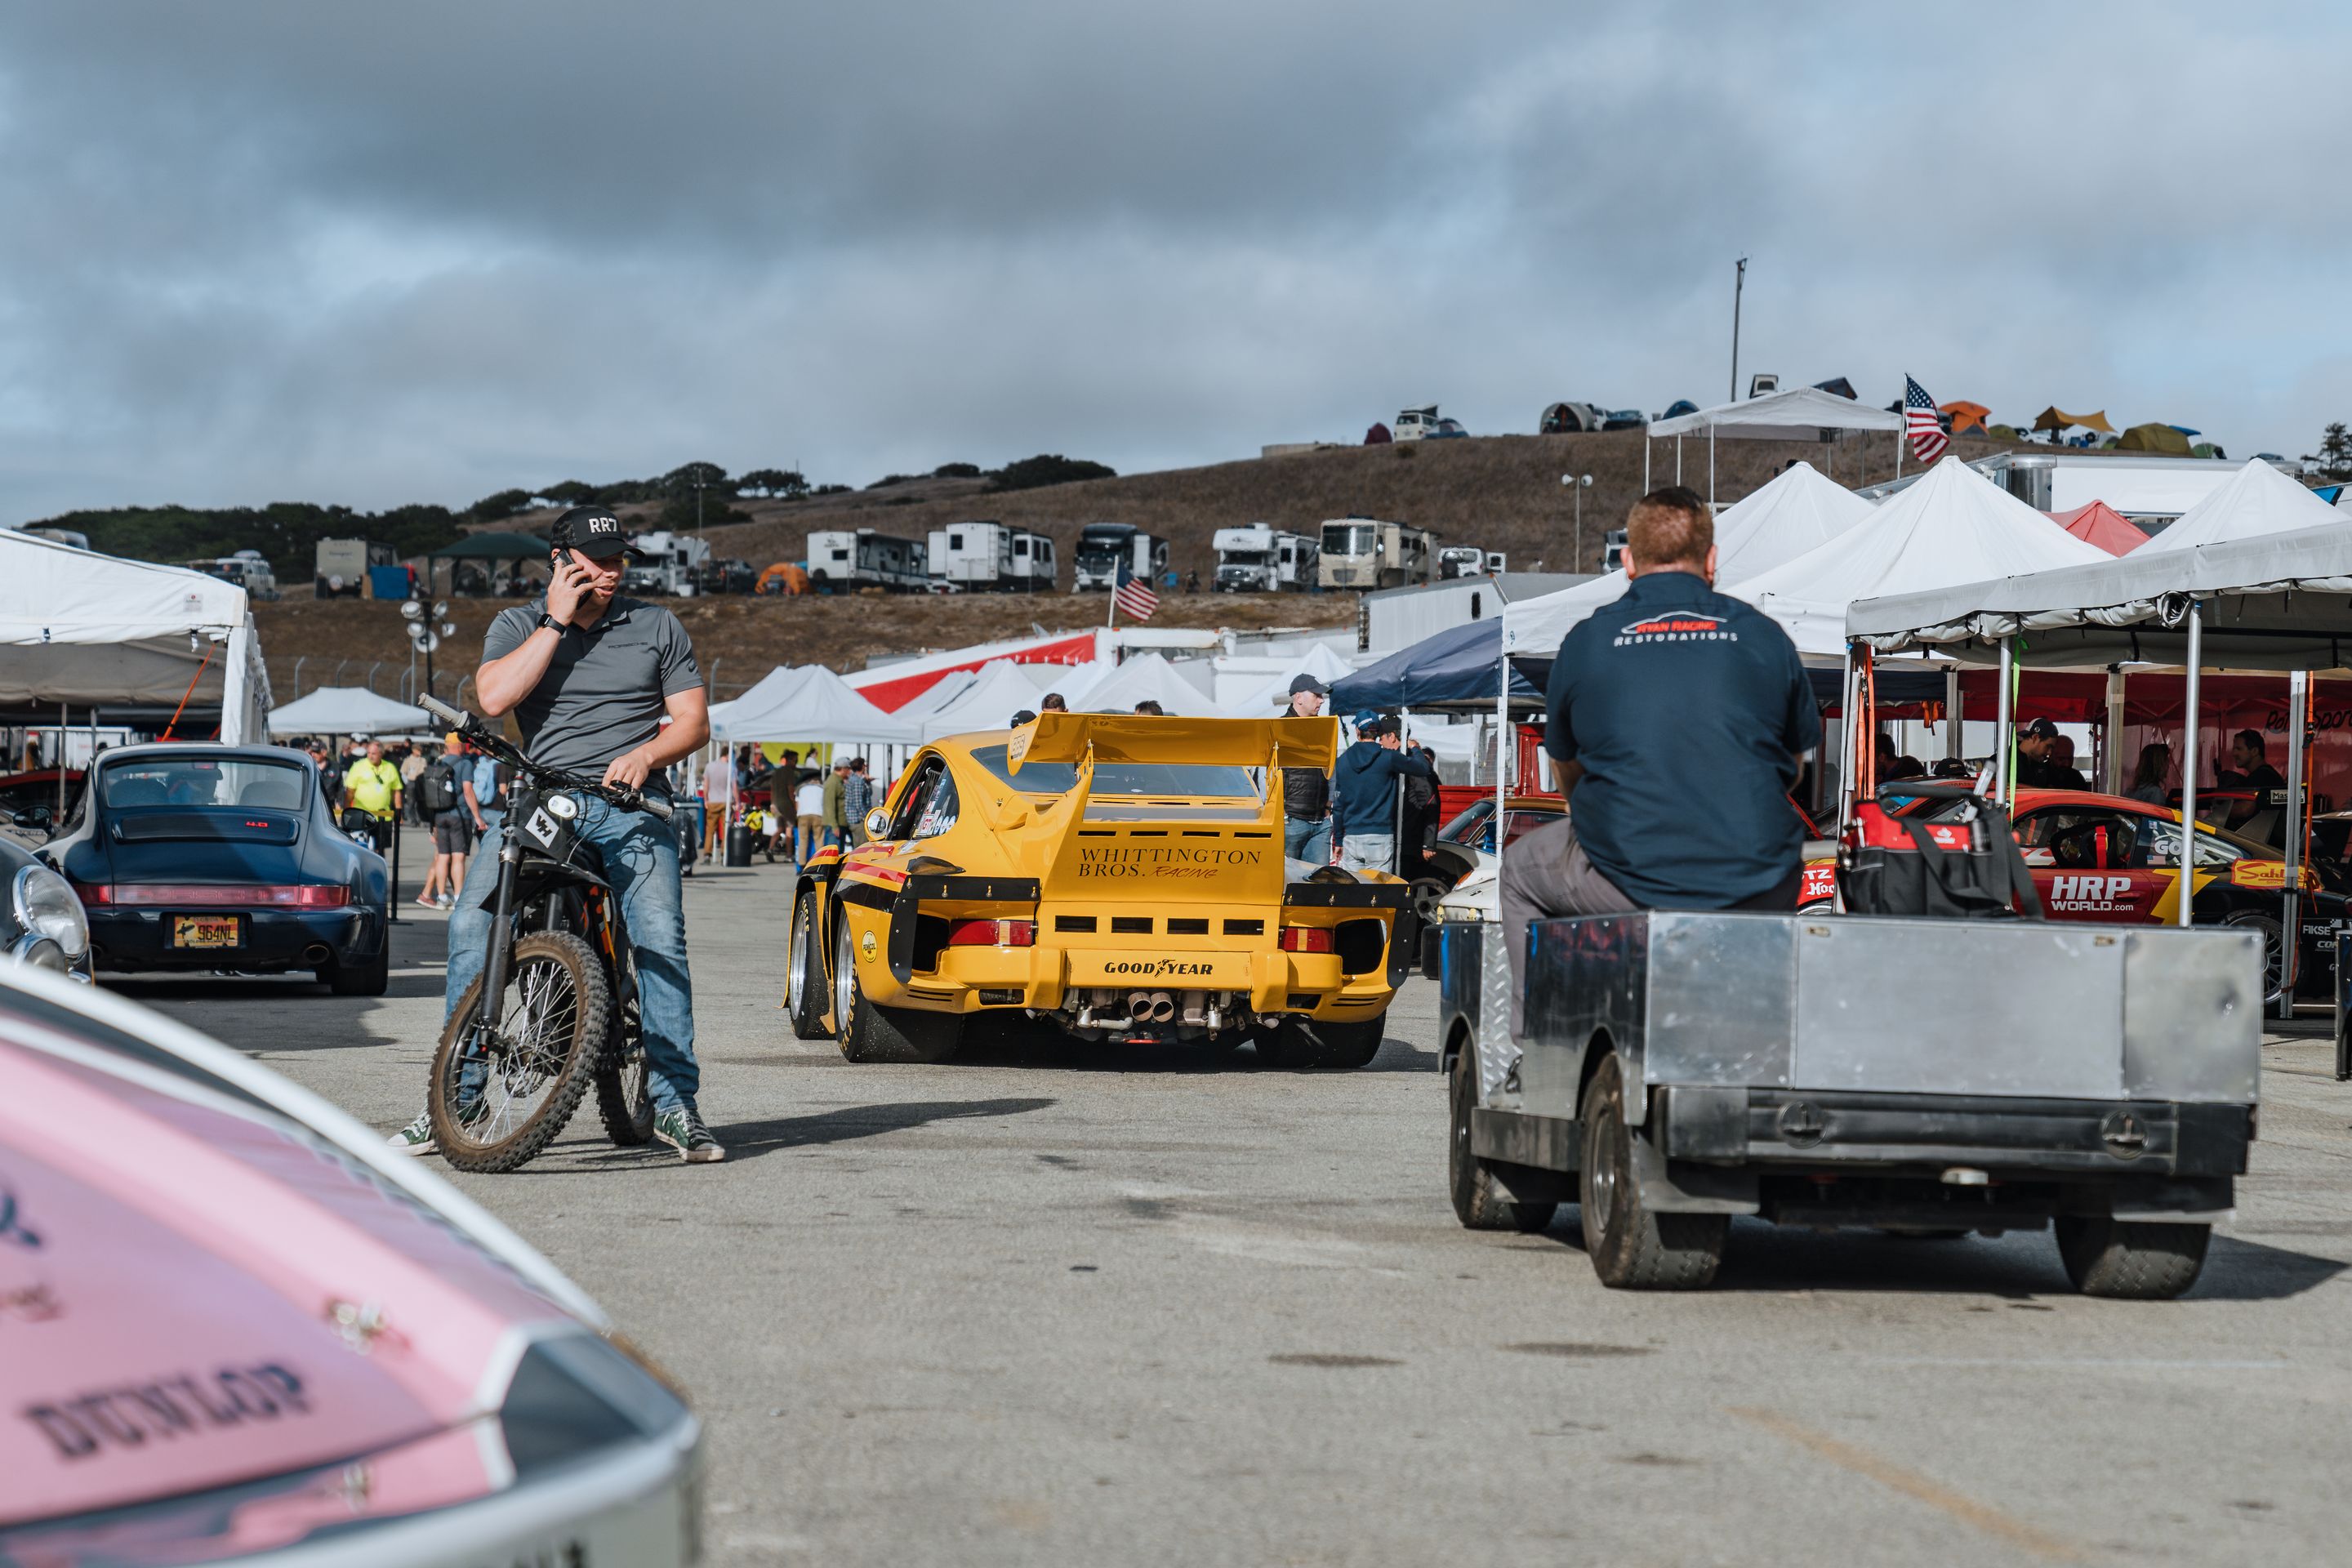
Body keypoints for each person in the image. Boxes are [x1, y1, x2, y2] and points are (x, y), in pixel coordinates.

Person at [390, 505, 719, 1164]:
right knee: (470, 928)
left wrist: (648, 757)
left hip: (633, 804)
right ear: (561, 562)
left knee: (660, 938)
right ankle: (460, 1096)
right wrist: (554, 620)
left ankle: (677, 1102)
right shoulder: (517, 624)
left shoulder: (657, 624)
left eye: (618, 560)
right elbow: (492, 699)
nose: (611, 572)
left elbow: (693, 722)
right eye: (596, 562)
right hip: (544, 801)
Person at [1501, 486, 1820, 1041]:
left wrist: (1605, 823)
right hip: (1758, 879)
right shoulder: (1768, 638)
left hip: (1628, 876)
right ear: (1712, 560)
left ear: (1627, 561)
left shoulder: (1588, 641)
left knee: (1518, 874)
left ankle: (1541, 1047)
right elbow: (1792, 768)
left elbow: (1567, 769)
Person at [1332, 715, 1436, 875]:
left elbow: (1338, 804)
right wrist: (1415, 748)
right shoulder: (1388, 757)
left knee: (1353, 893)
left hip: (1352, 835)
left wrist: (1338, 839)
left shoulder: (1343, 761)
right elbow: (1423, 769)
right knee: (1377, 892)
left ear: (1357, 731)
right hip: (1380, 834)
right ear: (1376, 732)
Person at [414, 733, 472, 909]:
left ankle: (440, 896)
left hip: (439, 815)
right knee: (458, 858)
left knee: (442, 857)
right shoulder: (465, 764)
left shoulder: (438, 764)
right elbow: (468, 790)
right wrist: (477, 816)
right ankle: (458, 897)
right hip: (459, 814)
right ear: (460, 746)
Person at [1280, 674, 1334, 864]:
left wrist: (1328, 805)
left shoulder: (1323, 729)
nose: (1321, 700)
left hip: (1321, 821)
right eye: (1316, 695)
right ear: (1299, 698)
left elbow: (1330, 768)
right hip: (1291, 820)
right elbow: (1265, 774)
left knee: (1319, 886)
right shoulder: (1280, 728)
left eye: (1322, 696)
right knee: (1286, 883)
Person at [341, 739, 403, 857]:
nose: (370, 756)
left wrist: (399, 814)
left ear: (381, 753)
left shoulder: (390, 768)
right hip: (362, 816)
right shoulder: (358, 767)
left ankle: (379, 871)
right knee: (361, 849)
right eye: (368, 753)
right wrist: (347, 813)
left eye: (373, 753)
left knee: (380, 851)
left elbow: (397, 791)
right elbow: (349, 792)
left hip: (383, 817)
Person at [2014, 718, 2087, 790]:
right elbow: (2007, 787)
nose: (2049, 753)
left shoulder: (2037, 765)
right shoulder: (2007, 760)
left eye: (2070, 758)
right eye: (2048, 746)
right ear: (2035, 738)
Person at [700, 746, 735, 862]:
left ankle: (707, 854)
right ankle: (724, 853)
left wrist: (706, 799)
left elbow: (706, 785)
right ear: (728, 754)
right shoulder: (730, 768)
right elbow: (734, 787)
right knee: (726, 829)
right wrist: (737, 801)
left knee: (710, 829)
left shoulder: (710, 766)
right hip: (726, 801)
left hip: (713, 801)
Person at [794, 768, 825, 862]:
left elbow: (797, 805)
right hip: (818, 814)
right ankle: (819, 863)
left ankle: (802, 863)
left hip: (803, 815)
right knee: (819, 840)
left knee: (803, 840)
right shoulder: (822, 789)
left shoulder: (800, 789)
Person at [2127, 742, 2172, 807]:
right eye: (2167, 761)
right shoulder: (2156, 794)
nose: (2168, 766)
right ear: (2159, 765)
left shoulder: (2129, 792)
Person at [843, 757, 873, 846]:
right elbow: (858, 804)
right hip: (859, 821)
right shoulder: (857, 782)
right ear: (862, 766)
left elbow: (869, 794)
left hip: (857, 820)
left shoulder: (855, 779)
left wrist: (867, 782)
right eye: (865, 765)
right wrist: (868, 817)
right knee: (861, 847)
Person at [822, 757, 850, 848]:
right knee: (833, 854)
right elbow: (829, 806)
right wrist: (834, 826)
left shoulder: (838, 781)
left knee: (839, 852)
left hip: (839, 823)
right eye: (848, 769)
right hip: (834, 825)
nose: (849, 771)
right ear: (843, 769)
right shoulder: (833, 782)